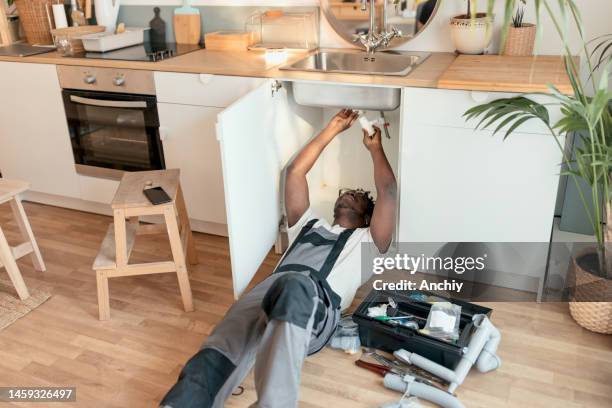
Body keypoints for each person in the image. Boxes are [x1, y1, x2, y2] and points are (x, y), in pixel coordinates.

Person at [160, 109, 397, 408]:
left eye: (358, 195)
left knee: (295, 286)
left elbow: (388, 190)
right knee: (216, 352)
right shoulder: (307, 224)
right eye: (346, 192)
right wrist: (332, 129)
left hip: (314, 302)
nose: (349, 193)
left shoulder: (369, 244)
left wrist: (375, 149)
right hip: (267, 291)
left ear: (367, 216)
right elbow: (295, 172)